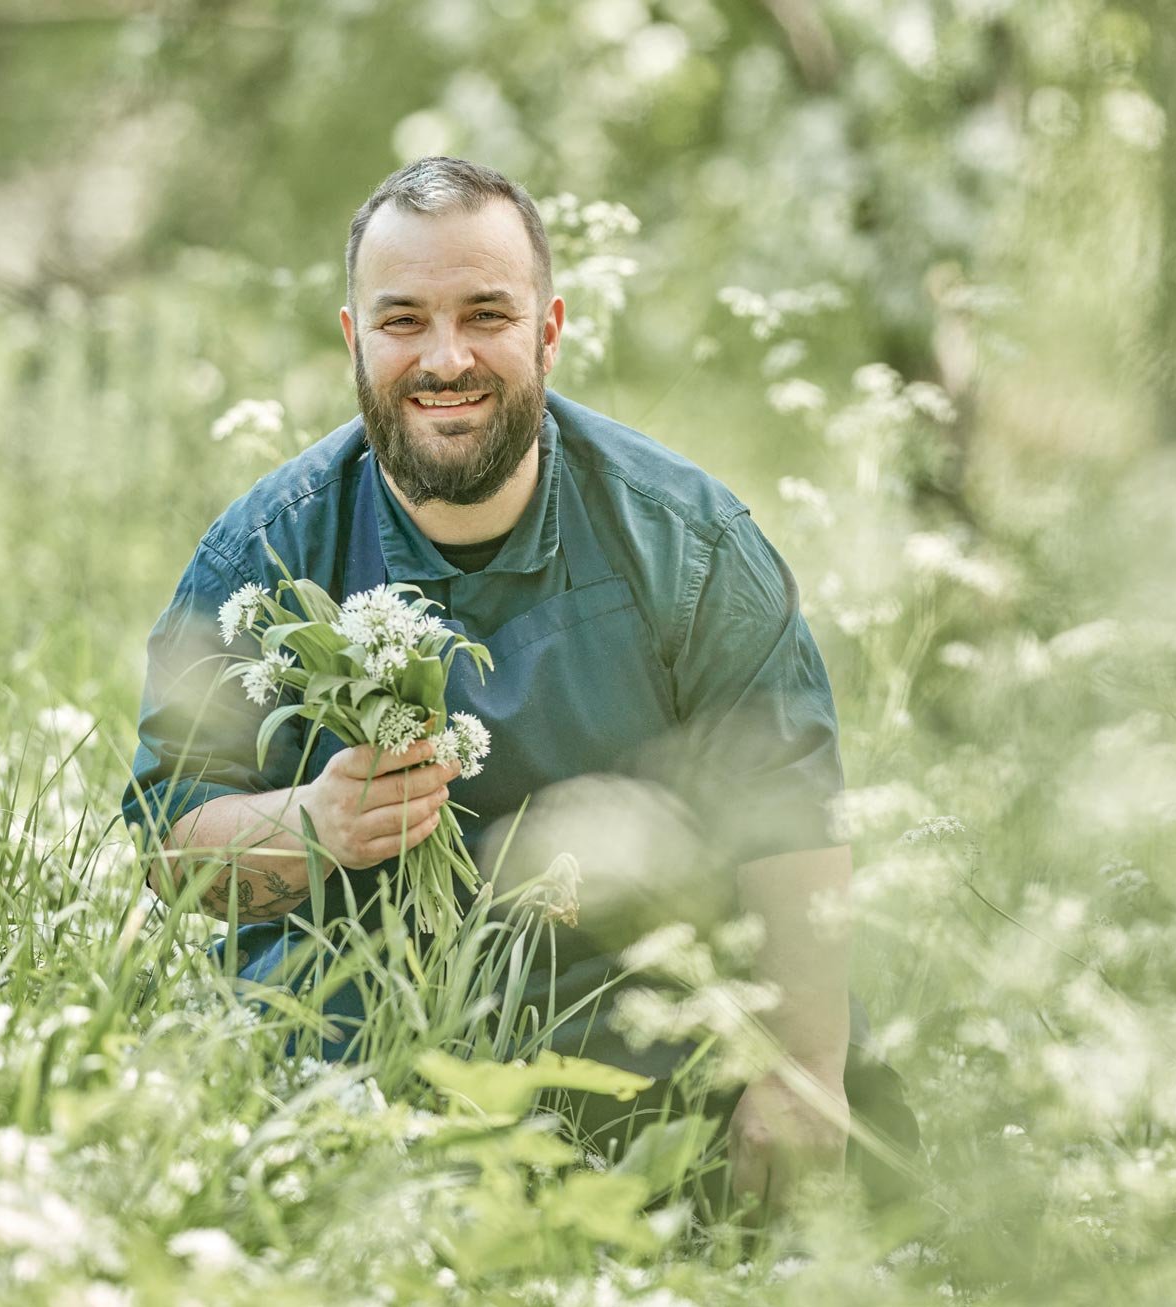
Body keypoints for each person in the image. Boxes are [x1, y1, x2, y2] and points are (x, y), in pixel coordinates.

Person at [122, 157, 920, 1212]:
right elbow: (172, 851)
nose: (444, 357)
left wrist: (802, 1070)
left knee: (858, 1176)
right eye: (403, 320)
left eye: (484, 314)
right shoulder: (261, 554)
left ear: (547, 332)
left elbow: (793, 821)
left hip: (642, 1037)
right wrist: (311, 821)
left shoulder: (687, 542)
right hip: (364, 1053)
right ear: (353, 338)